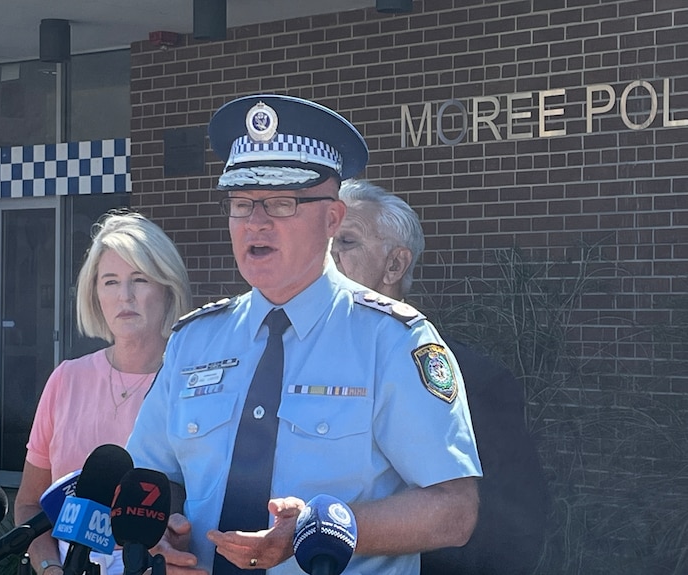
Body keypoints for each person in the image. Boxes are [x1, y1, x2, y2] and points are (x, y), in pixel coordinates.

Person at [126, 94, 482, 575]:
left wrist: (323, 527)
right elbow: (151, 475)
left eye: (281, 202)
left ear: (332, 219)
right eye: (241, 203)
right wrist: (159, 530)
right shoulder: (194, 340)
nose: (256, 221)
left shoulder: (394, 340)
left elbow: (453, 510)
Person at [332, 179, 549, 575]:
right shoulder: (277, 360)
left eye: (346, 242)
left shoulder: (471, 380)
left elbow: (506, 529)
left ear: (395, 264)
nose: (329, 257)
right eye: (324, 243)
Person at [14, 210, 192, 575]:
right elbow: (29, 505)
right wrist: (50, 568)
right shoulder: (66, 379)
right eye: (110, 282)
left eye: (139, 279)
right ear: (95, 294)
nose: (124, 296)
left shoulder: (194, 385)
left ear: (167, 287)